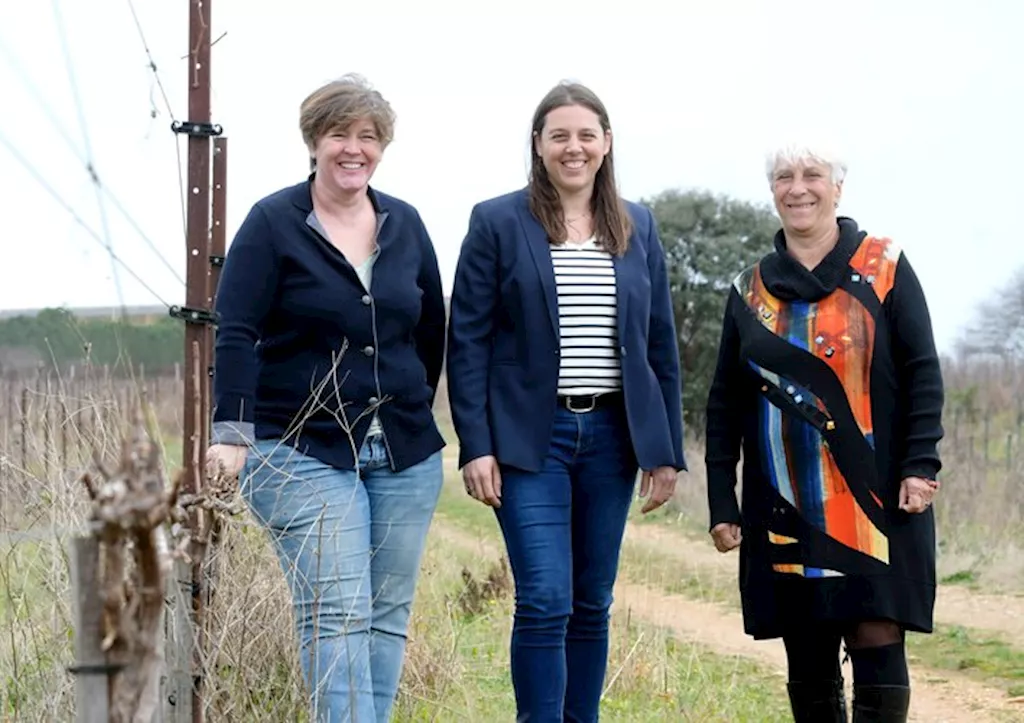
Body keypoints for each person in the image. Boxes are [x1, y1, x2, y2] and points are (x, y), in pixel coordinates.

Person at [205, 74, 446, 722]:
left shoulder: (406, 224)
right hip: (298, 447)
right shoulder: (273, 224)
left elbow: (430, 330)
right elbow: (236, 331)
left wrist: (412, 405)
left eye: (368, 136)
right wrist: (231, 433)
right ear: (314, 140)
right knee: (337, 610)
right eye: (340, 133)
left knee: (386, 616)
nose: (353, 148)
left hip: (403, 451)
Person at [446, 80, 686, 722]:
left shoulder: (638, 225)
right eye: (559, 135)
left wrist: (665, 452)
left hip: (613, 440)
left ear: (606, 144)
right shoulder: (497, 221)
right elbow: (466, 341)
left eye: (586, 135)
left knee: (590, 602)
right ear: (538, 145)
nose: (573, 148)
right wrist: (477, 445)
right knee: (546, 597)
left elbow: (657, 344)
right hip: (531, 442)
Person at [705, 142, 944, 722]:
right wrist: (722, 501)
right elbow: (724, 401)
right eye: (784, 177)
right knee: (806, 651)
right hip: (783, 502)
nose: (798, 187)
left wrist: (921, 464)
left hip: (877, 497)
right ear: (773, 192)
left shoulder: (883, 266)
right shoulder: (748, 289)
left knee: (877, 633)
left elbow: (922, 372)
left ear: (838, 187)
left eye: (813, 174)